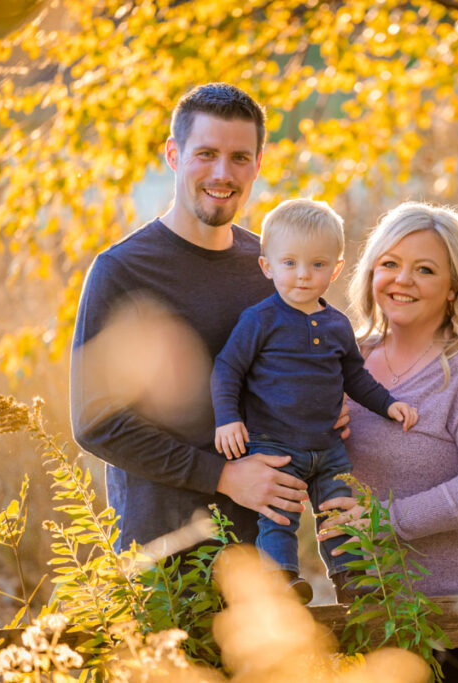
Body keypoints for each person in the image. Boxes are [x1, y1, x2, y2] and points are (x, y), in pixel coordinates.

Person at [70, 83, 318, 556]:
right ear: (173, 154)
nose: (223, 174)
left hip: (260, 554)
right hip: (161, 555)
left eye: (240, 158)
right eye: (206, 153)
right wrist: (224, 476)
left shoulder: (270, 267)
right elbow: (95, 422)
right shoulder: (123, 270)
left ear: (258, 164)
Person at [317, 202, 458, 681]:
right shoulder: (344, 357)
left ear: (454, 286)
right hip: (371, 605)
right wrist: (312, 418)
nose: (402, 280)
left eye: (425, 269)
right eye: (389, 264)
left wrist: (386, 523)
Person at [211, 198, 418, 603]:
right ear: (267, 266)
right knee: (278, 516)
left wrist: (387, 404)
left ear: (336, 268)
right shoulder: (260, 319)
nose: (303, 276)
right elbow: (227, 369)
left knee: (340, 511)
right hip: (274, 443)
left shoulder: (337, 325)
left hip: (328, 446)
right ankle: (281, 582)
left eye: (317, 265)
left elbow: (355, 377)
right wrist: (227, 419)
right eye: (290, 264)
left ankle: (352, 580)